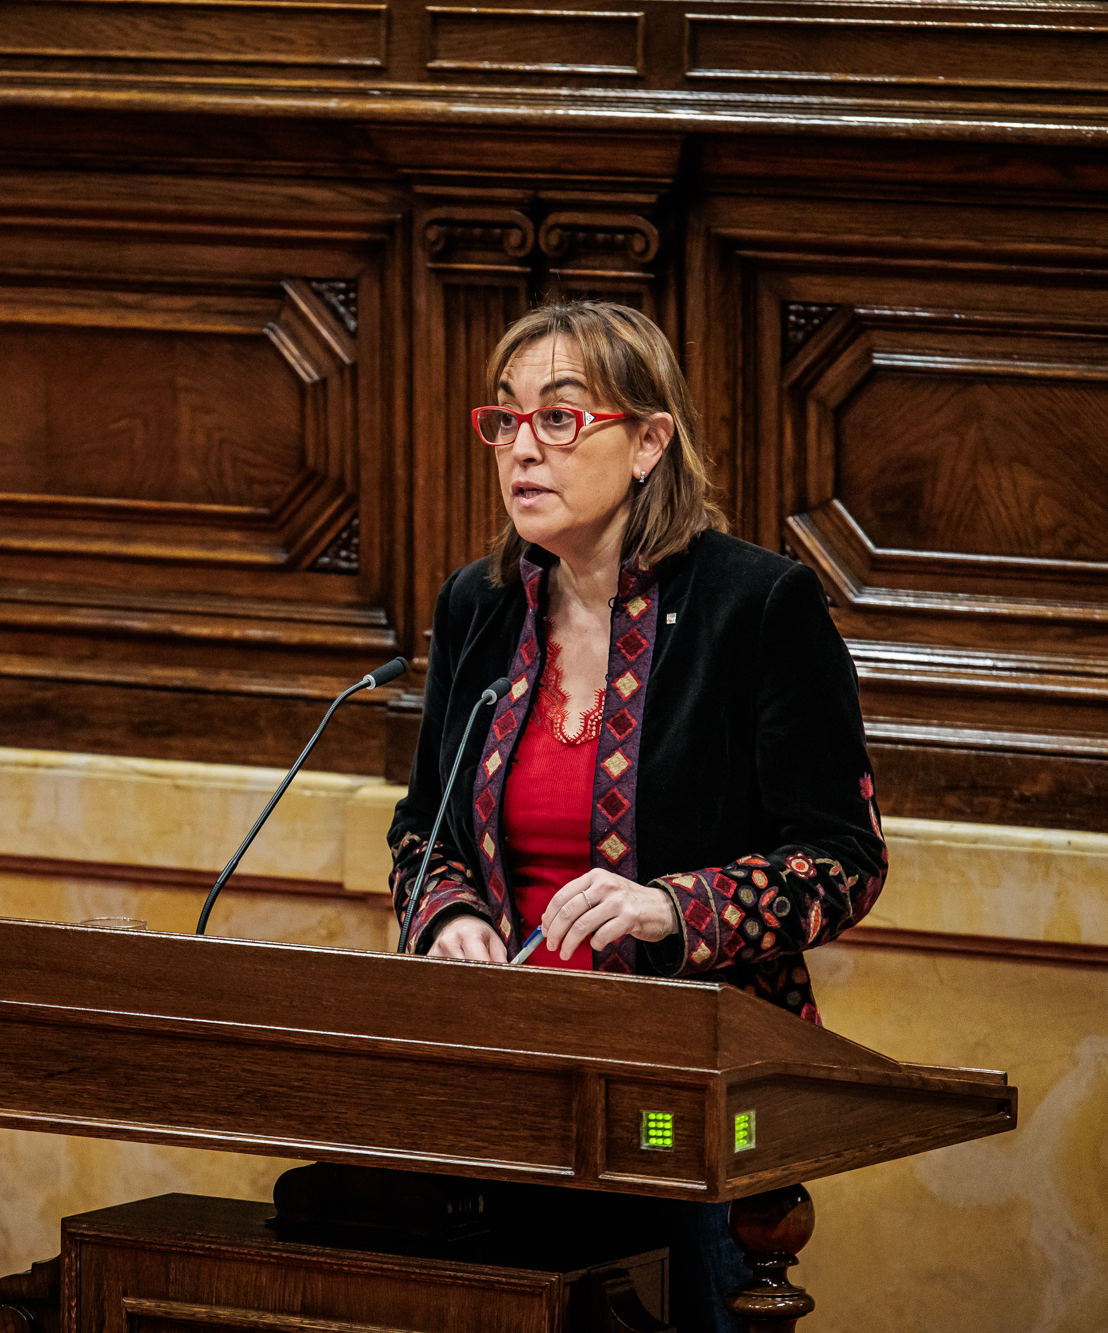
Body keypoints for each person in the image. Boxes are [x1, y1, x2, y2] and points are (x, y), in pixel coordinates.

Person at [387, 300, 887, 1331]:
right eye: (505, 421)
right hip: (502, 1077)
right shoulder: (477, 607)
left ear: (649, 439)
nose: (522, 447)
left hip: (682, 1095)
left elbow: (842, 861)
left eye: (560, 418)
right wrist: (446, 916)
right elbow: (420, 837)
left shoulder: (757, 608)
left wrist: (670, 905)